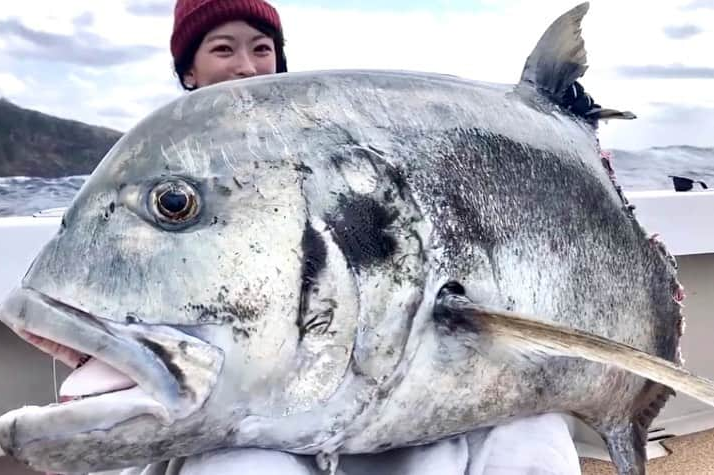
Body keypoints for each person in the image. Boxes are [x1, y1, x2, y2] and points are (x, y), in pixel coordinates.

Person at [117, 2, 597, 473]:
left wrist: (566, 141)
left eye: (261, 49)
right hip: (253, 411)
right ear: (189, 71)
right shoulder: (158, 169)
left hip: (385, 377)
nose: (246, 67)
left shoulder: (323, 142)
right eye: (223, 49)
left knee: (535, 441)